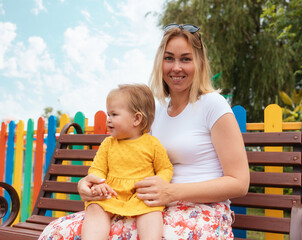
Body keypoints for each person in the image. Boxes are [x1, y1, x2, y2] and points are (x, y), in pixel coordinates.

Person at [39, 23, 250, 240]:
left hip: (200, 209)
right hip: (148, 206)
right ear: (160, 62)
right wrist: (86, 184)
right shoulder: (155, 111)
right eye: (169, 58)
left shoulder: (212, 105)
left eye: (185, 59)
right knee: (57, 232)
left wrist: (171, 192)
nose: (176, 67)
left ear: (200, 63)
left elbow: (239, 182)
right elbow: (131, 159)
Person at [81, 84, 173, 240]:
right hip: (111, 194)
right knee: (95, 208)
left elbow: (166, 168)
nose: (108, 120)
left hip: (140, 195)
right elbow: (97, 169)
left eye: (114, 115)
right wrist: (99, 182)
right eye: (108, 114)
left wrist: (158, 180)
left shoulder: (152, 144)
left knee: (152, 212)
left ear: (136, 119)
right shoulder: (108, 144)